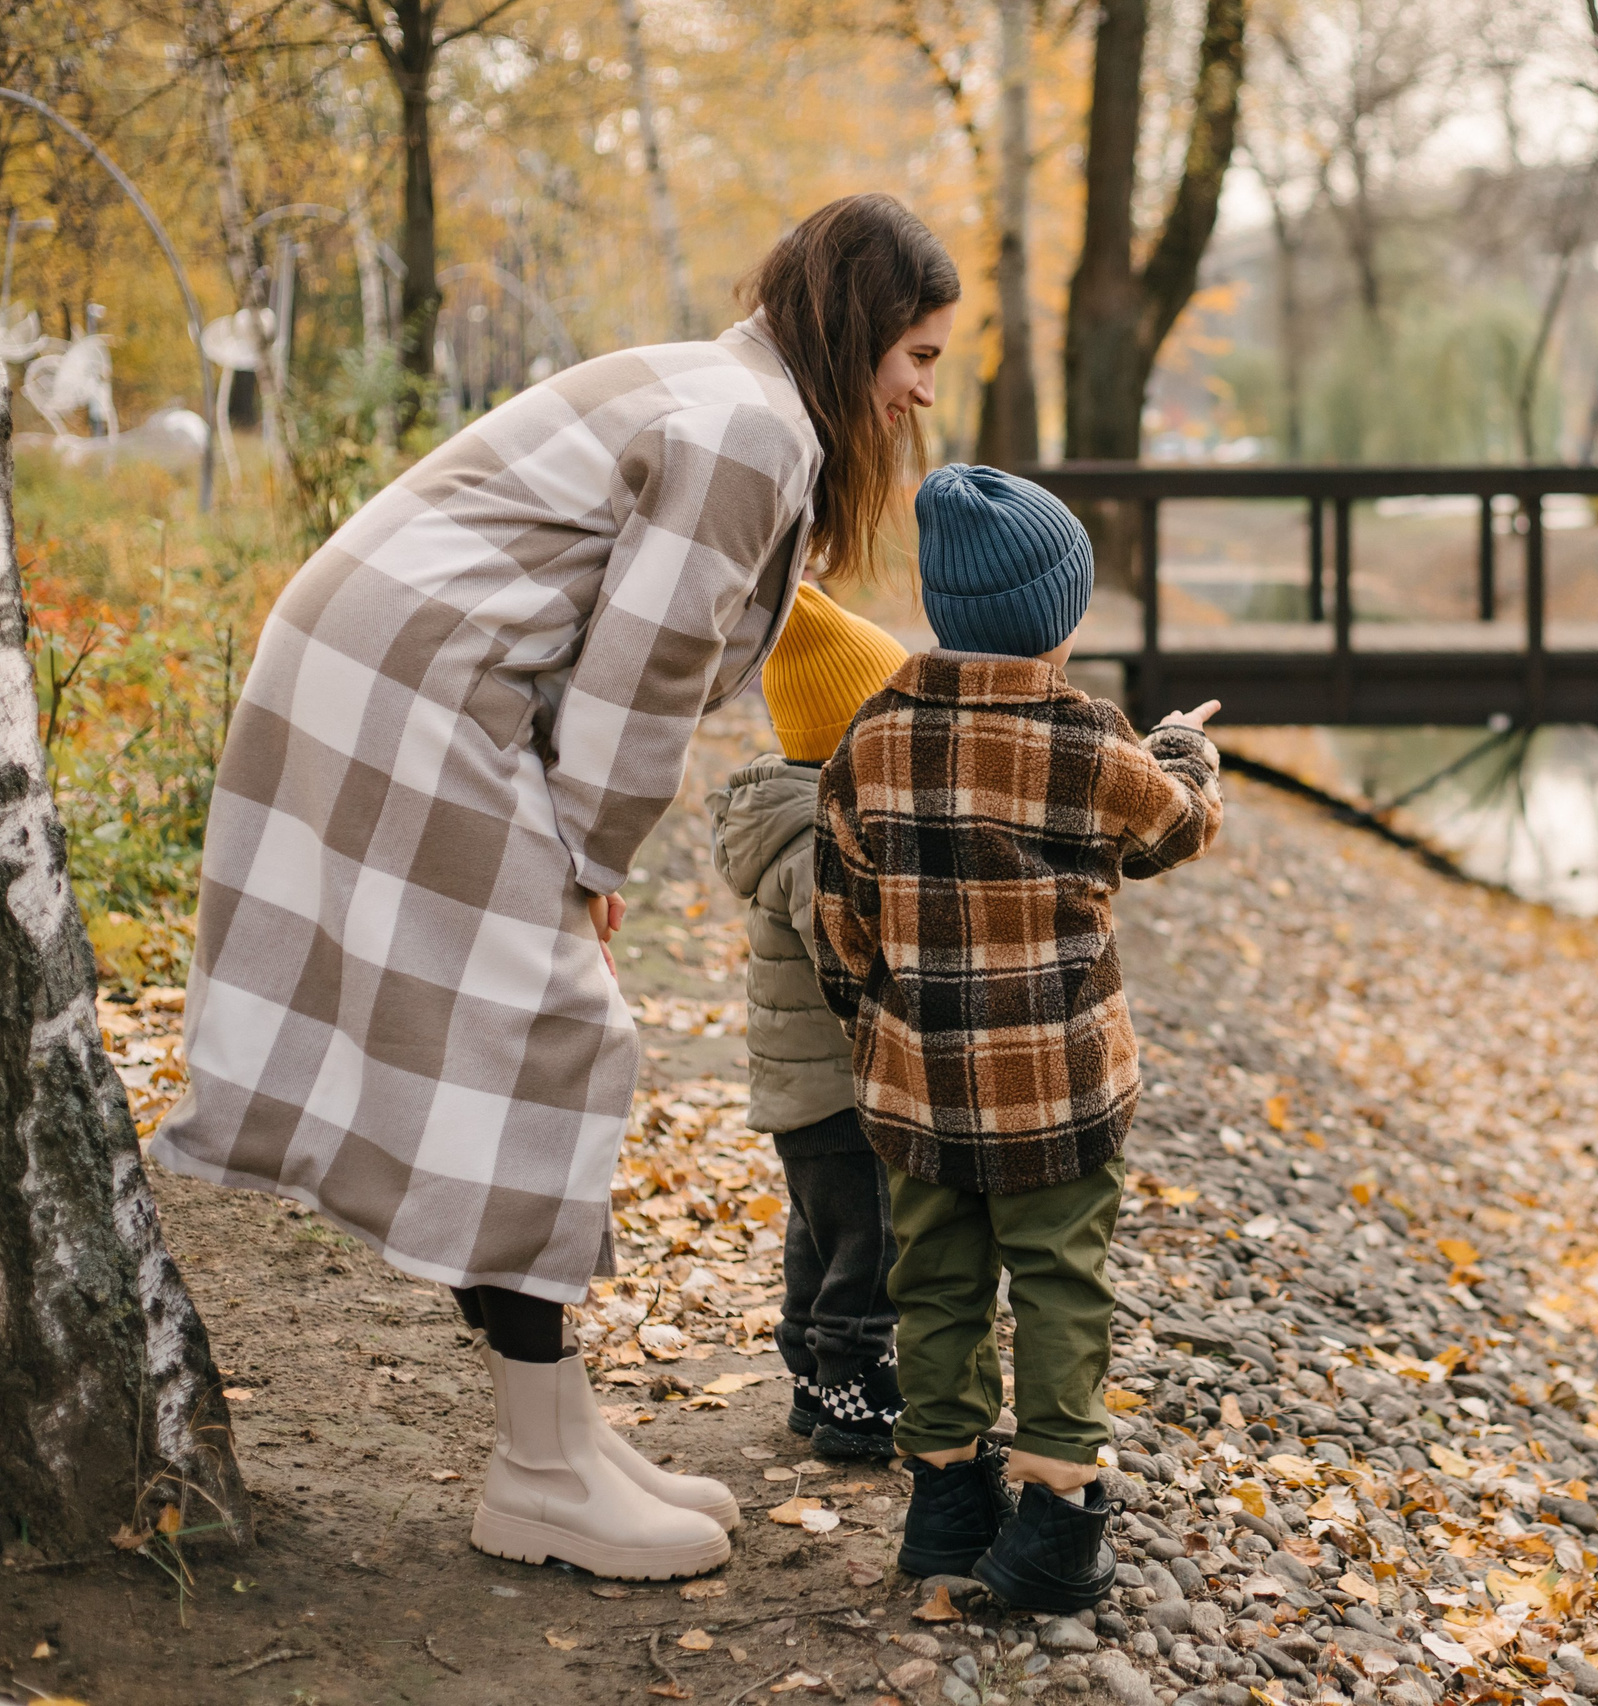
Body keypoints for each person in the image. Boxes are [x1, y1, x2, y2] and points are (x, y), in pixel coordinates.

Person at [152, 194, 960, 1582]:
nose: (920, 392)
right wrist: (592, 855)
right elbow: (639, 668)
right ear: (863, 330)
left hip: (413, 673)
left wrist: (579, 843)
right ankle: (536, 1466)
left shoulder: (730, 395)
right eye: (919, 356)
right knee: (562, 1033)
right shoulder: (749, 430)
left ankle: (562, 1429)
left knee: (544, 1032)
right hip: (418, 688)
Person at [812, 464, 1223, 1612]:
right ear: (1059, 615)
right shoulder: (1088, 736)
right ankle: (1053, 1515)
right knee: (1058, 1281)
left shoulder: (874, 733)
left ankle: (945, 1503)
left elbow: (839, 912)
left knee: (933, 1284)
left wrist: (877, 1028)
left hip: (920, 1086)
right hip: (1059, 1090)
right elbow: (1173, 829)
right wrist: (1183, 747)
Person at [709, 582, 909, 1461]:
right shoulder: (817, 846)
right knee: (870, 1248)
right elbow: (850, 963)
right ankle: (854, 1395)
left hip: (801, 1091)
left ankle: (808, 1372)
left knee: (820, 1236)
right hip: (840, 1092)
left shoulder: (789, 819)